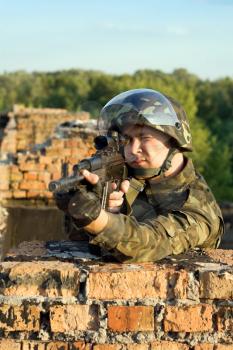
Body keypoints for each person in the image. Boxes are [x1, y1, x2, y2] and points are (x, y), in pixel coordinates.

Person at [55, 89, 224, 262]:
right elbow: (82, 244)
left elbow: (148, 243)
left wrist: (98, 218)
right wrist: (82, 204)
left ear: (173, 140)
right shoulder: (129, 176)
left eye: (144, 138)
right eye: (127, 139)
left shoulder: (199, 208)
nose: (133, 150)